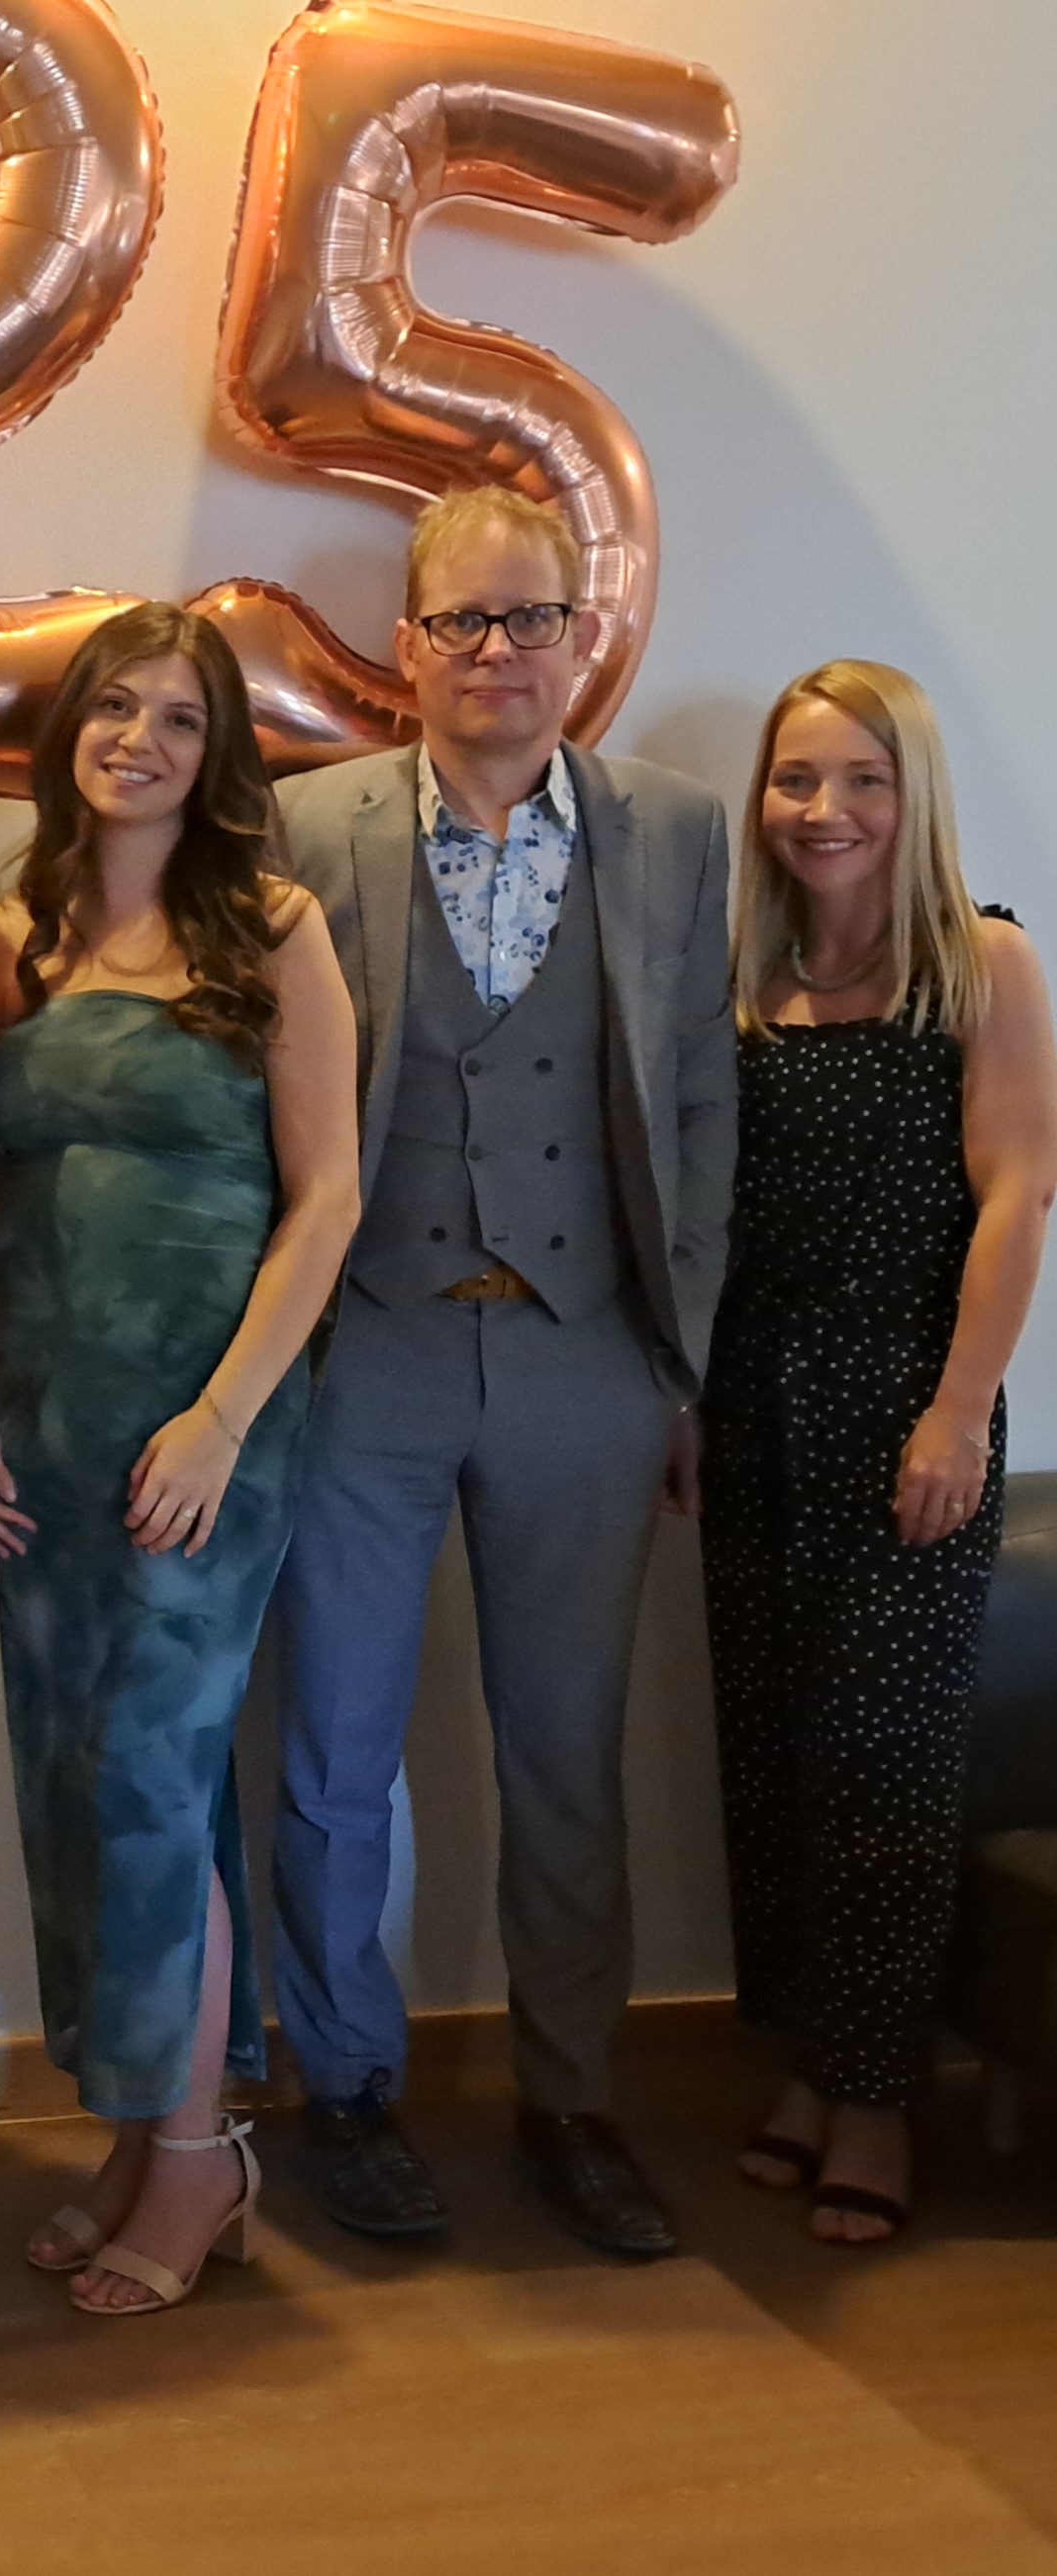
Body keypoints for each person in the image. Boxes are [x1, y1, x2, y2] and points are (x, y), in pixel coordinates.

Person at [268, 488, 735, 2260]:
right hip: (365, 1351)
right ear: (408, 646)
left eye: (529, 618)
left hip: (585, 1357)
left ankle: (574, 2099)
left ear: (580, 638)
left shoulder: (672, 830)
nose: (497, 653)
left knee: (565, 1752)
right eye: (461, 621)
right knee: (334, 1751)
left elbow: (701, 1104)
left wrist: (679, 1369)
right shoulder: (308, 825)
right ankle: (348, 2091)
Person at [0, 607, 359, 2317]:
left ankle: (197, 2157)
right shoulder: (13, 939)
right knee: (71, 1779)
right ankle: (142, 2135)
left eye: (180, 719)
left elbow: (326, 1198)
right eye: (116, 708)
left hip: (205, 1435)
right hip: (42, 1429)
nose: (141, 741)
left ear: (217, 755)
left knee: (154, 1783)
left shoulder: (274, 929)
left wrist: (223, 1417)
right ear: (72, 734)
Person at [703, 662, 1056, 2246]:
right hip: (752, 1410)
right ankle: (812, 2065)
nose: (825, 810)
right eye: (797, 779)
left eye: (863, 779)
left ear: (913, 797)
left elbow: (1018, 1195)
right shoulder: (752, 978)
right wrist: (684, 1406)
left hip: (910, 1413)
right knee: (775, 1751)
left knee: (884, 1766)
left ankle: (880, 2099)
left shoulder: (981, 960)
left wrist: (960, 1410)